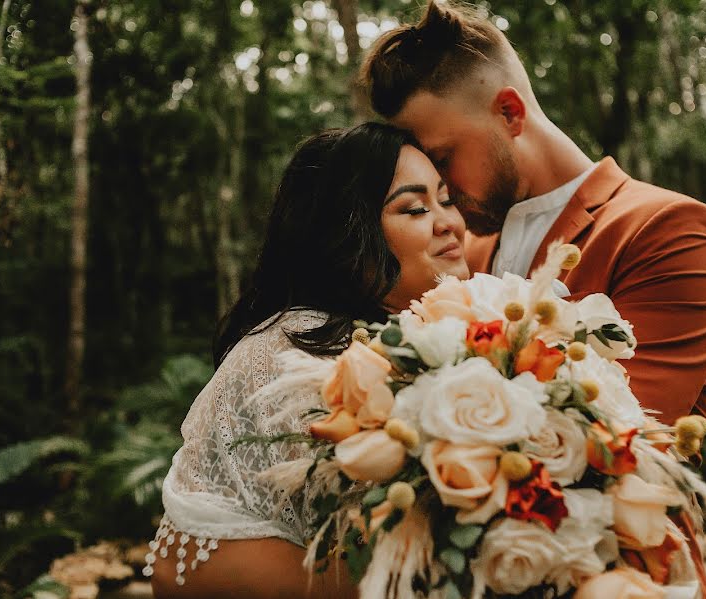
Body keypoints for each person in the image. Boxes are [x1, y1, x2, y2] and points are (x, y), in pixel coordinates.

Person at [360, 3, 706, 597]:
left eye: (445, 158)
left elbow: (628, 437)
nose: (444, 190)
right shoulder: (464, 251)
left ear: (510, 112)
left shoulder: (665, 228)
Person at [148, 122, 469, 599]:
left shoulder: (432, 331)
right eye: (416, 207)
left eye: (446, 199)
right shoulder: (289, 351)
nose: (449, 222)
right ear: (345, 235)